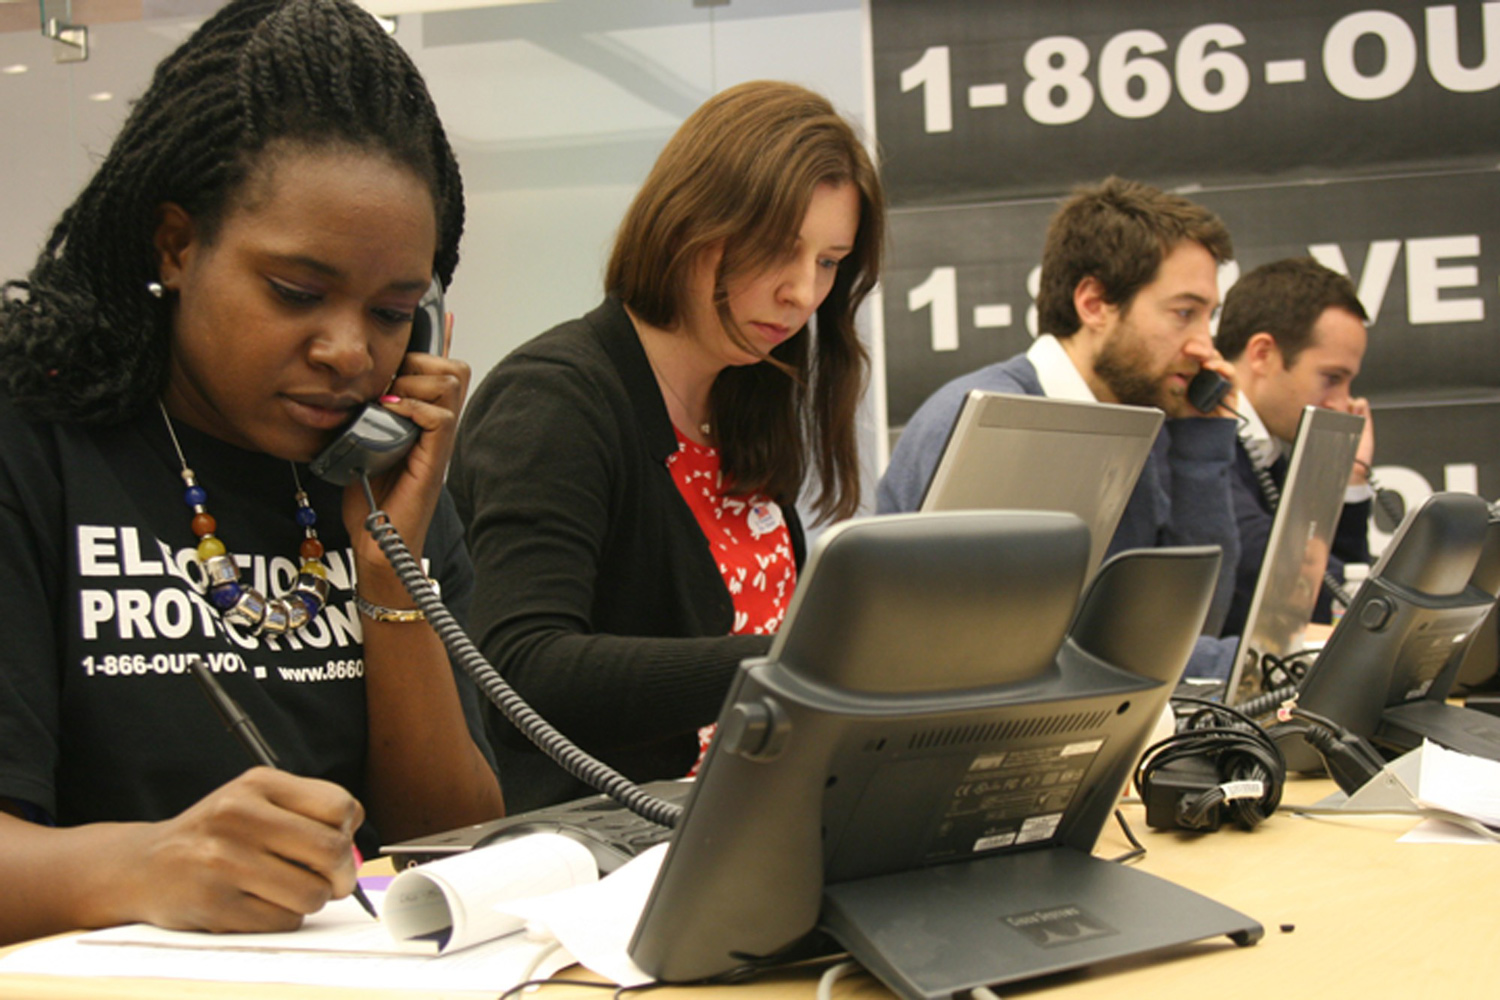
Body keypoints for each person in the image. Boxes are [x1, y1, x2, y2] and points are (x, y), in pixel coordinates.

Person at [0, 0, 503, 946]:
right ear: (176, 245)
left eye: (393, 312)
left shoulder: (378, 473)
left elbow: (454, 846)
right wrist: (148, 865)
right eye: (296, 292)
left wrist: (389, 572)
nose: (348, 352)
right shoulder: (33, 442)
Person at [449, 81, 884, 812]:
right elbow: (522, 672)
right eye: (779, 249)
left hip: (752, 817)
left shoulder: (747, 393)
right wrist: (792, 661)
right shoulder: (554, 399)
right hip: (599, 843)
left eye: (829, 261)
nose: (804, 293)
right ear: (692, 223)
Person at [877, 177, 1242, 668]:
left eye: (1208, 317)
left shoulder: (1140, 427)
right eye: (1184, 313)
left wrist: (1200, 446)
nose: (1204, 346)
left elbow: (1195, 625)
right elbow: (1012, 652)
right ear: (1093, 304)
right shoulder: (994, 422)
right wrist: (1243, 664)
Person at [1214, 257, 1373, 636]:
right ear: (1263, 355)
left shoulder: (1271, 452)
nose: (1343, 403)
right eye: (1331, 378)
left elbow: (1339, 602)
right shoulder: (1204, 445)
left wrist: (1349, 480)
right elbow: (1288, 582)